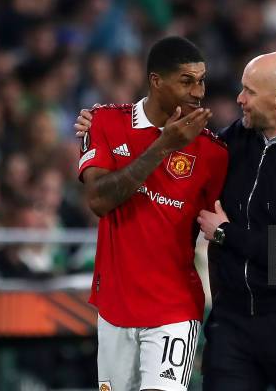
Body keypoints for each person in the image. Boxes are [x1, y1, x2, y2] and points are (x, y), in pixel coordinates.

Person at [75, 51, 276, 390]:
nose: (239, 99)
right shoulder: (231, 144)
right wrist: (100, 128)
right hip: (232, 322)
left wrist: (228, 234)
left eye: (249, 91)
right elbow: (172, 147)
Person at [77, 37, 228, 391]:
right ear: (156, 81)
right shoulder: (103, 122)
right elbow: (99, 200)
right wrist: (164, 146)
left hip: (174, 309)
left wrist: (221, 320)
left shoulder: (212, 152)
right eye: (187, 81)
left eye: (202, 80)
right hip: (114, 305)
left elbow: (219, 238)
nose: (199, 91)